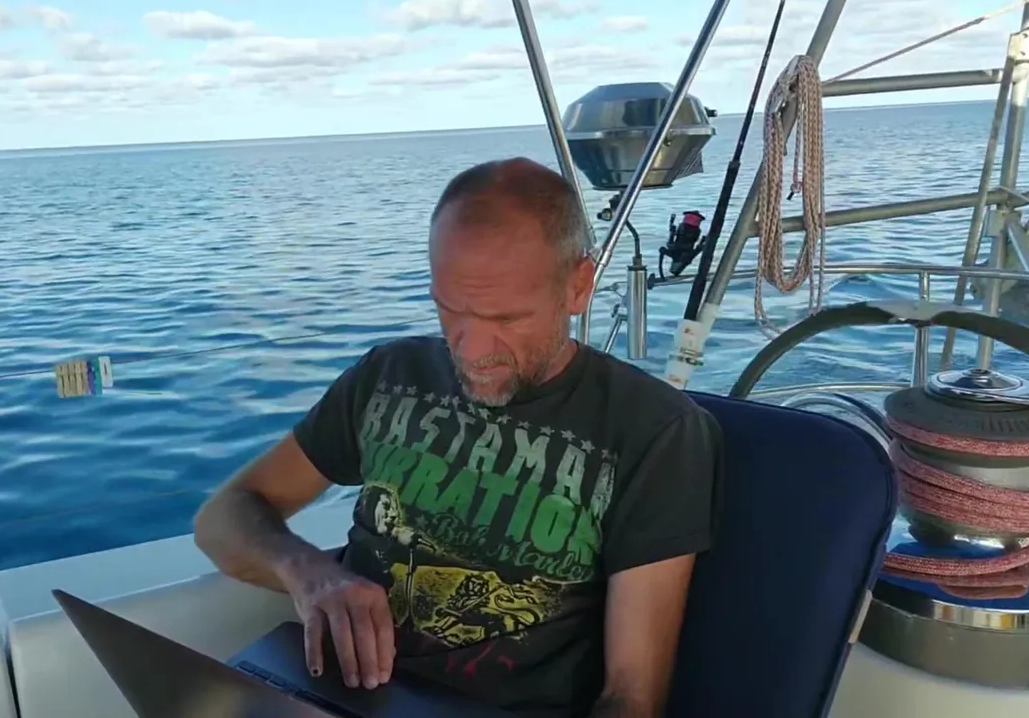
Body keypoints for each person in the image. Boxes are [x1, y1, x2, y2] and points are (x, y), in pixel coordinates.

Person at [193, 157, 722, 718]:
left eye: (507, 319)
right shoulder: (388, 375)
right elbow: (221, 519)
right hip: (330, 699)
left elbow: (632, 697)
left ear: (578, 286)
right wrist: (310, 574)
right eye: (451, 311)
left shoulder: (654, 430)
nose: (472, 351)